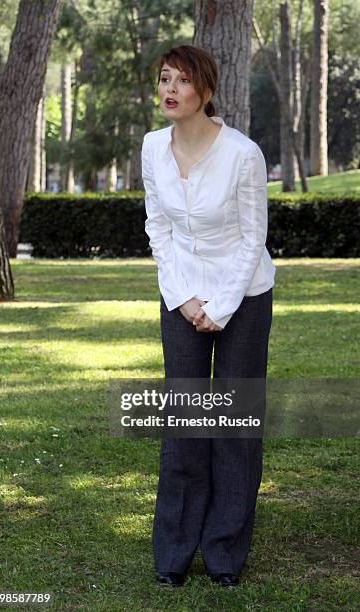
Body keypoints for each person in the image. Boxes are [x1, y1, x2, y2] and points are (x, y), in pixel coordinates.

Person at [141, 44, 276, 587]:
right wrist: (184, 298)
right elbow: (158, 227)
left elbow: (253, 239)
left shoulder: (243, 154)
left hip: (244, 296)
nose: (169, 90)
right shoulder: (152, 147)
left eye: (182, 81)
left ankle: (224, 553)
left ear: (207, 92)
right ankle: (173, 554)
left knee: (234, 426)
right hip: (181, 297)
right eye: (164, 79)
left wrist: (219, 306)